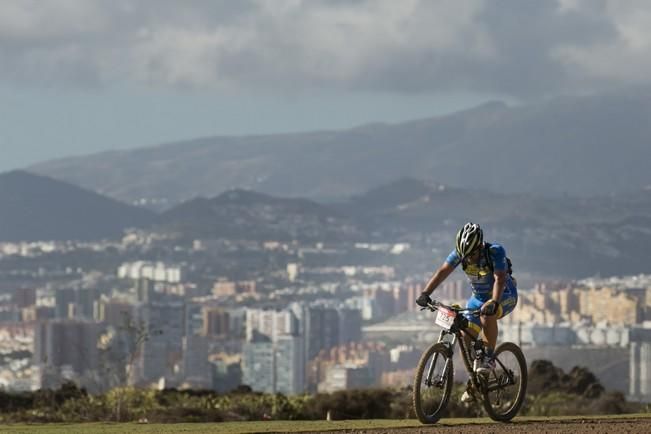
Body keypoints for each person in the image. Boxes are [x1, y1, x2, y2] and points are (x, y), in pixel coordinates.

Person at [416, 222, 518, 401]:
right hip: (477, 298)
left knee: (488, 315)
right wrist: (426, 293)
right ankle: (476, 382)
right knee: (464, 335)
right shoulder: (460, 254)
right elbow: (442, 272)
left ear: (479, 246)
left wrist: (494, 301)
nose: (468, 259)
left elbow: (499, 278)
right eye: (465, 256)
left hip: (503, 294)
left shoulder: (494, 251)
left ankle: (488, 358)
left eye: (471, 255)